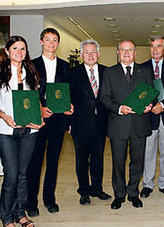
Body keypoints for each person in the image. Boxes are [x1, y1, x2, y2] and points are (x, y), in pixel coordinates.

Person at [0, 36, 44, 227]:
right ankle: (7, 218)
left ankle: (20, 213)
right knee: (12, 175)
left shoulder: (31, 72)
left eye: (23, 49)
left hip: (29, 131)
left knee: (24, 174)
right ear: (7, 51)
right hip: (5, 131)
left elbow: (35, 99)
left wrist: (39, 116)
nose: (19, 52)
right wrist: (4, 115)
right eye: (15, 48)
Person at [100, 40, 153, 210]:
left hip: (139, 123)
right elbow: (104, 98)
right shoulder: (109, 72)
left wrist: (149, 105)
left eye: (130, 50)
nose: (127, 53)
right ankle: (119, 194)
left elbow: (151, 94)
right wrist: (119, 108)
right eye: (123, 50)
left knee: (137, 162)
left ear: (135, 53)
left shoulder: (144, 71)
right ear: (118, 52)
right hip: (118, 124)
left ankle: (133, 193)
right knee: (118, 162)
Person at [27, 28, 73, 217]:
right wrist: (40, 108)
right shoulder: (31, 65)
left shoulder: (64, 66)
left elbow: (68, 91)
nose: (51, 44)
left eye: (55, 40)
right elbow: (29, 92)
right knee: (35, 162)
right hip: (39, 118)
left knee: (53, 162)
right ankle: (31, 202)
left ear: (58, 44)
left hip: (58, 119)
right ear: (41, 42)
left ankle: (49, 199)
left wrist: (70, 109)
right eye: (48, 40)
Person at [69, 39, 111, 205]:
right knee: (81, 160)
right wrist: (69, 122)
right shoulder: (73, 73)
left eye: (93, 52)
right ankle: (84, 191)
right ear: (81, 55)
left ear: (99, 54)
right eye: (87, 52)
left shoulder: (106, 72)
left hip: (100, 124)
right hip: (80, 124)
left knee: (98, 158)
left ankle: (97, 188)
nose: (90, 55)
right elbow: (68, 99)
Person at [140, 36, 164, 199]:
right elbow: (139, 92)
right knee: (149, 151)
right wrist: (149, 106)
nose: (155, 49)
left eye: (158, 46)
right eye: (152, 46)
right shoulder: (142, 68)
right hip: (149, 116)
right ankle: (147, 183)